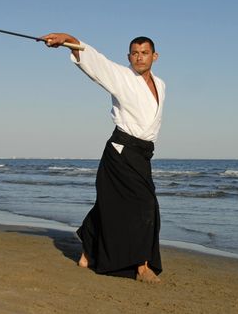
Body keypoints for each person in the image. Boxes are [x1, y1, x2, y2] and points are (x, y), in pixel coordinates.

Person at [42, 33, 165, 283]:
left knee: (109, 205)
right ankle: (142, 267)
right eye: (134, 52)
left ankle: (87, 251)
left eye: (144, 52)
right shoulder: (121, 76)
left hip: (142, 154)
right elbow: (95, 61)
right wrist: (67, 39)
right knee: (146, 206)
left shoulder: (161, 85)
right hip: (122, 151)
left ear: (155, 56)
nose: (139, 57)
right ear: (128, 56)